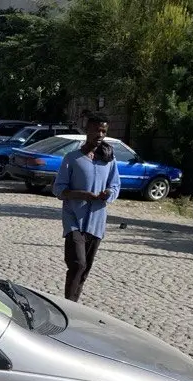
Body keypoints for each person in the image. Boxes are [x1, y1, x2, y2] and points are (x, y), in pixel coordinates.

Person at [52, 114, 120, 302]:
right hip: (74, 219)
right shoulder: (72, 158)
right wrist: (83, 195)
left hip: (97, 222)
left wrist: (108, 194)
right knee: (78, 263)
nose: (100, 134)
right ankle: (67, 305)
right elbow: (58, 189)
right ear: (87, 130)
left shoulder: (108, 160)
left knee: (86, 266)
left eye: (103, 131)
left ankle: (74, 303)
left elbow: (115, 185)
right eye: (96, 130)